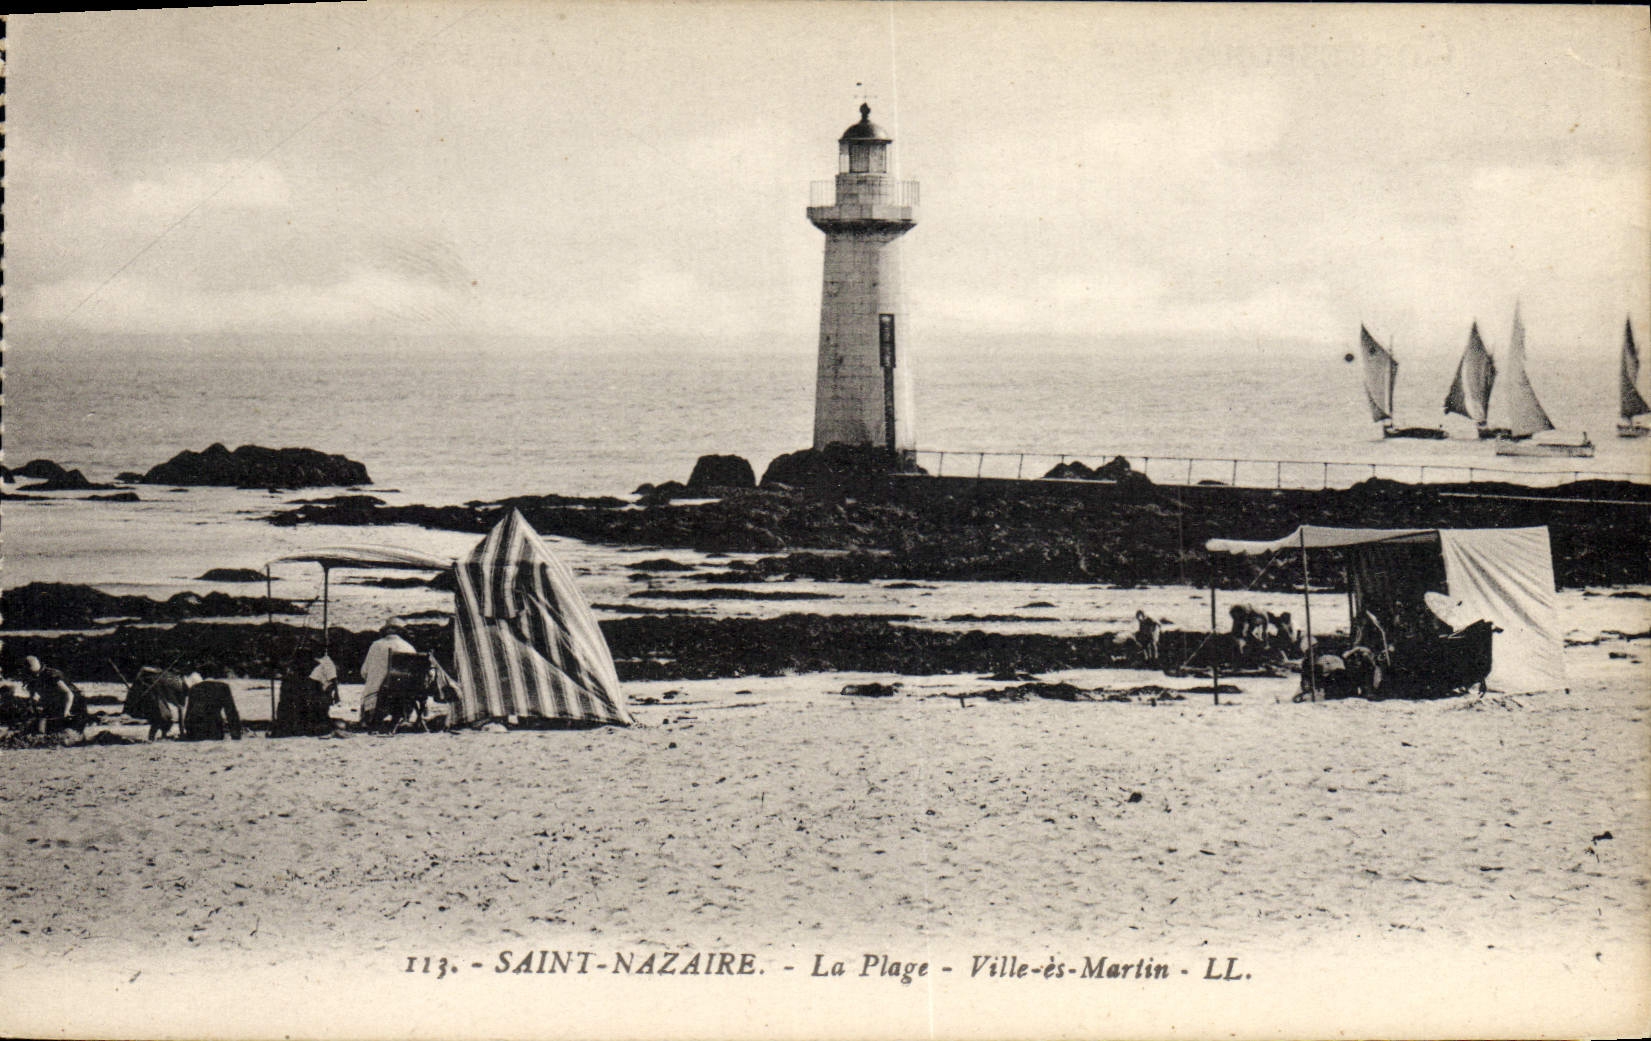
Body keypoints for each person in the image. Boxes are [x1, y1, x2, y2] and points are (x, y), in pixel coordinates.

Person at [359, 619, 416, 729]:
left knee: (373, 683)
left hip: (380, 691)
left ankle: (371, 718)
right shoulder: (409, 648)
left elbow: (364, 671)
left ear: (386, 631)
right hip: (404, 690)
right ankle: (399, 716)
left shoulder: (376, 646)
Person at [24, 656, 91, 735]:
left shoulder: (51, 675)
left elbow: (68, 693)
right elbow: (33, 698)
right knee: (42, 724)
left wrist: (66, 711)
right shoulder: (32, 678)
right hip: (56, 703)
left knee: (68, 733)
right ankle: (40, 735)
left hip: (74, 704)